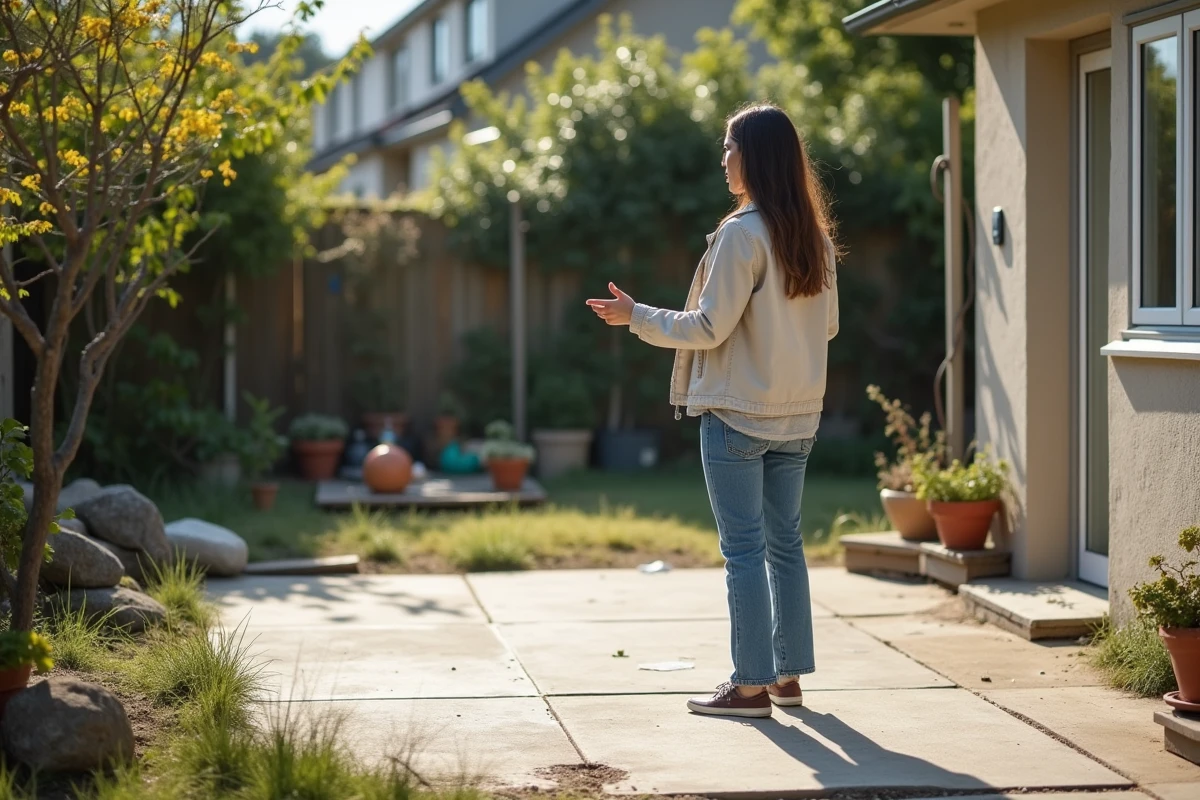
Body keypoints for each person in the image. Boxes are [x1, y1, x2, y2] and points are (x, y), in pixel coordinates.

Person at [586, 103, 839, 718]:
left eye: (729, 148)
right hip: (798, 418)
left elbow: (706, 327)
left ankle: (749, 687)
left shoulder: (741, 233)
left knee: (745, 550)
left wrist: (636, 317)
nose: (723, 159)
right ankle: (786, 678)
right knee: (785, 544)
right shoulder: (814, 238)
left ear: (753, 156)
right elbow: (826, 328)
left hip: (735, 416)